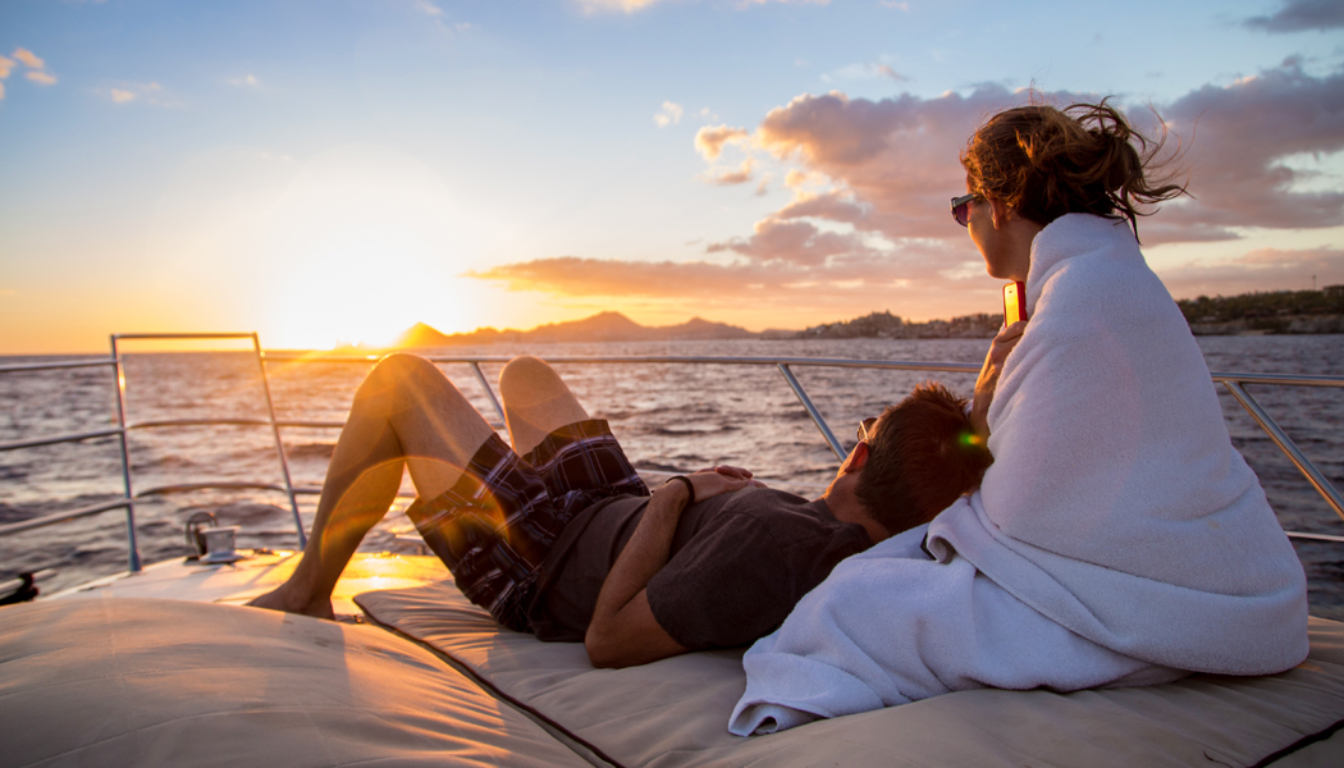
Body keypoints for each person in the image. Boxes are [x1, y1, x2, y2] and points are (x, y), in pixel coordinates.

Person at [728, 100, 1310, 735]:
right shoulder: (1118, 281)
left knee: (848, 603)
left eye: (962, 209)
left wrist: (955, 504)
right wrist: (986, 403)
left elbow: (1021, 516)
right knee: (885, 570)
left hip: (1143, 596)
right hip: (1228, 576)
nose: (965, 224)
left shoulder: (1071, 304)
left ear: (996, 205)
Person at [249, 354, 991, 668]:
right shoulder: (860, 544)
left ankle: (309, 592)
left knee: (396, 382)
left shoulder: (773, 543)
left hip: (549, 554)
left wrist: (678, 496)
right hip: (614, 507)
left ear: (858, 458)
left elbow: (607, 638)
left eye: (862, 434)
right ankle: (501, 469)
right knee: (524, 373)